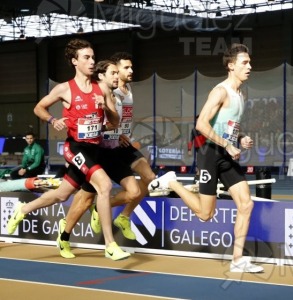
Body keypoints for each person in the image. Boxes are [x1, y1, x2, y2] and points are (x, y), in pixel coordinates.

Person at [6, 39, 130, 261]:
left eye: (93, 57)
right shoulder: (64, 89)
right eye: (86, 57)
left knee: (62, 194)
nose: (92, 62)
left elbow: (114, 122)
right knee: (104, 185)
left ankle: (23, 211)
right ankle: (110, 245)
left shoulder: (100, 89)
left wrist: (105, 108)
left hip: (94, 149)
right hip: (74, 148)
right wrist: (53, 120)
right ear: (75, 61)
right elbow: (39, 107)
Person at [148, 43, 263, 273]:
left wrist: (240, 138)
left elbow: (225, 126)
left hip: (226, 152)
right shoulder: (220, 91)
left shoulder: (241, 94)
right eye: (244, 62)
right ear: (231, 66)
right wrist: (229, 145)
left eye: (249, 62)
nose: (249, 66)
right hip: (210, 154)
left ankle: (237, 259)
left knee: (246, 204)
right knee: (205, 214)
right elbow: (201, 125)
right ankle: (171, 182)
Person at [61, 52, 157, 249]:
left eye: (131, 67)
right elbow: (93, 119)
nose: (130, 71)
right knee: (84, 198)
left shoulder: (127, 89)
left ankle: (123, 216)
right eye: (124, 68)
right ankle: (65, 232)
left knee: (149, 177)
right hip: (100, 148)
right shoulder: (103, 90)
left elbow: (120, 119)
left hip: (121, 144)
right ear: (112, 71)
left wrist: (121, 132)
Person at [187, 115, 206, 183]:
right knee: (201, 162)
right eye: (197, 120)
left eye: (199, 119)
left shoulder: (206, 128)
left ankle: (198, 176)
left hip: (206, 148)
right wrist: (189, 150)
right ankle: (198, 176)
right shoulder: (194, 130)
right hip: (199, 149)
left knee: (204, 163)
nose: (198, 121)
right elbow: (191, 140)